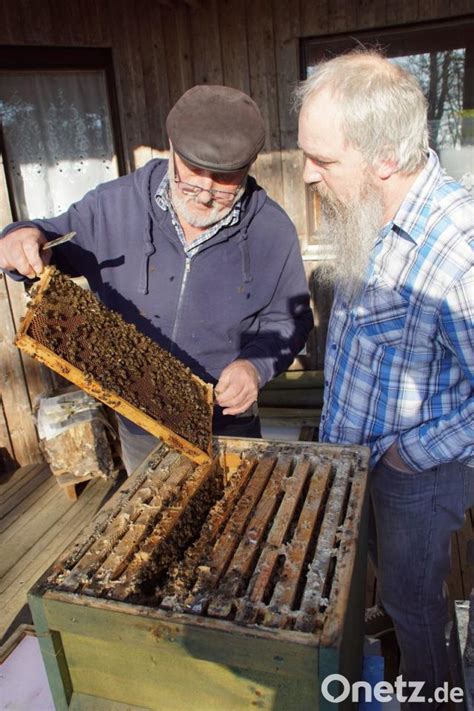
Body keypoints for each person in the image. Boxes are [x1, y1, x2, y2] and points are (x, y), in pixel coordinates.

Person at [0, 85, 313, 474]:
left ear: (248, 168)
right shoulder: (112, 206)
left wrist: (256, 366)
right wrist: (20, 237)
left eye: (224, 179)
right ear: (171, 148)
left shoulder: (272, 229)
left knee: (235, 525)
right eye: (194, 173)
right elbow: (47, 238)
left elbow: (291, 320)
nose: (206, 192)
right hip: (140, 423)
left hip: (230, 425)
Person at [296, 50, 473, 705]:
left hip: (414, 477)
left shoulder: (459, 251)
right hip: (359, 460)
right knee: (386, 592)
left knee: (414, 601)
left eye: (323, 160)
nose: (309, 176)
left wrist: (407, 453)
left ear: (385, 159)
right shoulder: (370, 203)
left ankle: (435, 696)